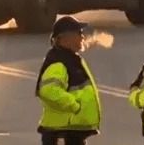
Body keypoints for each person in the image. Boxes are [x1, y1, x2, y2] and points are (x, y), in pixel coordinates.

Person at [35, 16, 101, 145]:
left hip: (70, 130)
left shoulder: (70, 59)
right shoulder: (59, 63)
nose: (82, 37)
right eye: (78, 33)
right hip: (62, 132)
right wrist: (74, 106)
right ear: (65, 38)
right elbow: (48, 90)